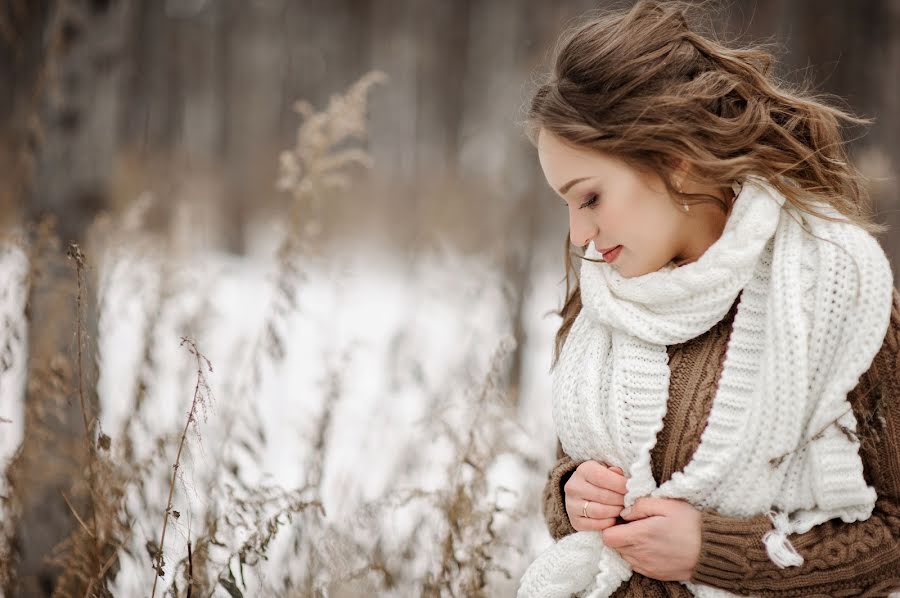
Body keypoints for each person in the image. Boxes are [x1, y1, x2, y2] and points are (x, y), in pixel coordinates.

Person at [517, 1, 900, 596]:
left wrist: (715, 553)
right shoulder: (604, 305)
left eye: (589, 197)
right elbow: (572, 497)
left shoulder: (836, 297)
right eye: (565, 205)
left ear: (675, 160)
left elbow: (893, 533)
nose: (578, 236)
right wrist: (572, 497)